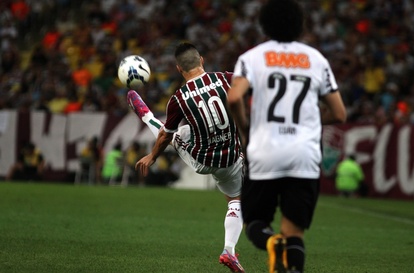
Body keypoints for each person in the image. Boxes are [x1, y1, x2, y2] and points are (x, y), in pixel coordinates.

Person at [227, 1, 347, 272]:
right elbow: (339, 114)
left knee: (256, 223)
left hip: (265, 150)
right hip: (304, 155)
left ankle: (271, 243)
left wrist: (246, 128)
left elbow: (234, 97)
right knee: (295, 232)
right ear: (300, 25)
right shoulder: (316, 59)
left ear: (264, 25)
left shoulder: (253, 57)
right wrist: (311, 122)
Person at [128, 42, 245, 272]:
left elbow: (163, 138)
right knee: (237, 202)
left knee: (172, 134)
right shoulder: (226, 78)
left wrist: (151, 156)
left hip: (203, 160)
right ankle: (228, 249)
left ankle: (146, 116)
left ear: (179, 69)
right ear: (201, 60)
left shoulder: (179, 99)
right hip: (232, 157)